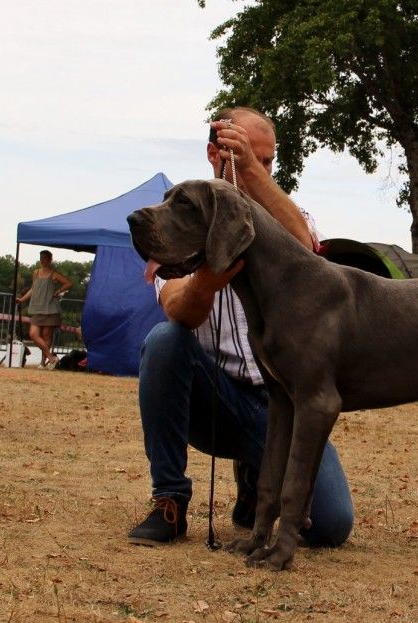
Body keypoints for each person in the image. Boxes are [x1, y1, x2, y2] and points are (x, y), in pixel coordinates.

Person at [127, 107, 354, 548]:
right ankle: (169, 499)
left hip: (282, 403)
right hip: (217, 400)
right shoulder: (180, 215)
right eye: (245, 155)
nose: (259, 168)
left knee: (331, 525)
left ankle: (255, 480)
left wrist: (249, 170)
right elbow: (177, 309)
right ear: (214, 154)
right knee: (164, 341)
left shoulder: (289, 214)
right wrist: (206, 282)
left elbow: (307, 248)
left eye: (267, 160)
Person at [16, 250, 72, 368]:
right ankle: (51, 358)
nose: (42, 260)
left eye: (45, 258)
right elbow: (33, 289)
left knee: (47, 336)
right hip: (37, 308)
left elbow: (68, 283)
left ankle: (42, 363)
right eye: (41, 257)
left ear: (50, 260)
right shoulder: (36, 273)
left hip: (50, 309)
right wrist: (22, 299)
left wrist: (58, 291)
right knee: (33, 334)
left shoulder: (54, 274)